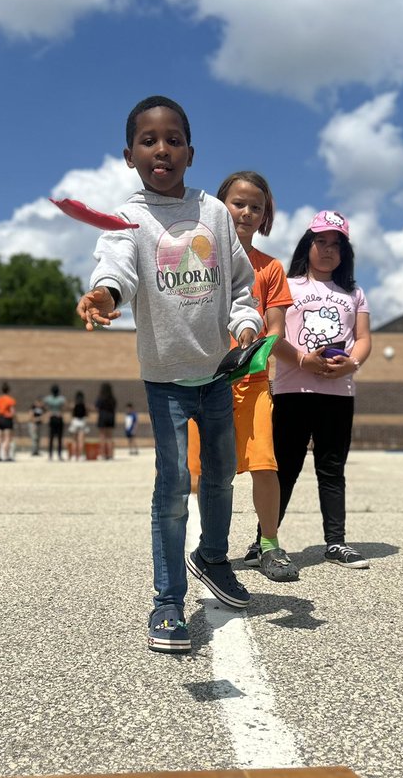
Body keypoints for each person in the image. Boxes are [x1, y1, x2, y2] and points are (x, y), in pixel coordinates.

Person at [77, 94, 261, 654]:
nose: (162, 149)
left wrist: (248, 325)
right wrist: (106, 294)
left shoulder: (213, 214)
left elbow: (241, 286)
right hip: (165, 381)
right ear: (129, 154)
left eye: (174, 139)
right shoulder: (126, 219)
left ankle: (212, 558)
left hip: (217, 375)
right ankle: (167, 600)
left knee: (222, 477)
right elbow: (117, 269)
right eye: (149, 140)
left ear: (190, 151)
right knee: (174, 485)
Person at [189, 170, 298, 582]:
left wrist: (254, 355)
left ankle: (268, 544)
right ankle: (209, 545)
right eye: (239, 203)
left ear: (266, 215)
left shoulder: (270, 269)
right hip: (206, 379)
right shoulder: (199, 255)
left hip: (253, 384)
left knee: (265, 464)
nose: (247, 212)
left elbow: (276, 328)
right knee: (204, 471)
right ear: (220, 206)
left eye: (257, 206)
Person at [266, 211, 372, 567]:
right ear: (307, 245)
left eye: (336, 244)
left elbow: (364, 339)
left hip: (337, 394)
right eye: (321, 242)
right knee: (285, 468)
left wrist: (352, 363)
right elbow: (274, 336)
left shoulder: (354, 293)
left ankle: (336, 542)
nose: (328, 250)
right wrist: (302, 360)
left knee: (331, 468)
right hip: (291, 392)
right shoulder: (288, 284)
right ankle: (265, 542)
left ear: (345, 253)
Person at [0, 382, 17, 462]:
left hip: (0, 419)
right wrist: (14, 418)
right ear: (8, 390)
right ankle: (6, 456)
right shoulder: (10, 400)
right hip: (7, 419)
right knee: (7, 438)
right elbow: (13, 412)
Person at [95, 382, 118, 460]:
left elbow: (97, 407)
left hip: (102, 416)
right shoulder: (113, 399)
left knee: (102, 437)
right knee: (110, 437)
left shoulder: (100, 398)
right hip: (111, 417)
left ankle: (103, 454)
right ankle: (110, 455)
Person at [45, 384, 66, 460]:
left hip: (52, 418)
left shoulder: (48, 399)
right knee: (59, 438)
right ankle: (59, 455)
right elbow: (64, 407)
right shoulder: (61, 399)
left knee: (51, 438)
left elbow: (44, 406)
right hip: (59, 418)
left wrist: (48, 412)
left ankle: (50, 455)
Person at [68, 391, 88, 460]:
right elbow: (86, 414)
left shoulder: (74, 405)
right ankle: (81, 456)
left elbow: (72, 414)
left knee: (74, 440)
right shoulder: (84, 405)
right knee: (81, 440)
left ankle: (74, 455)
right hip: (82, 422)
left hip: (75, 421)